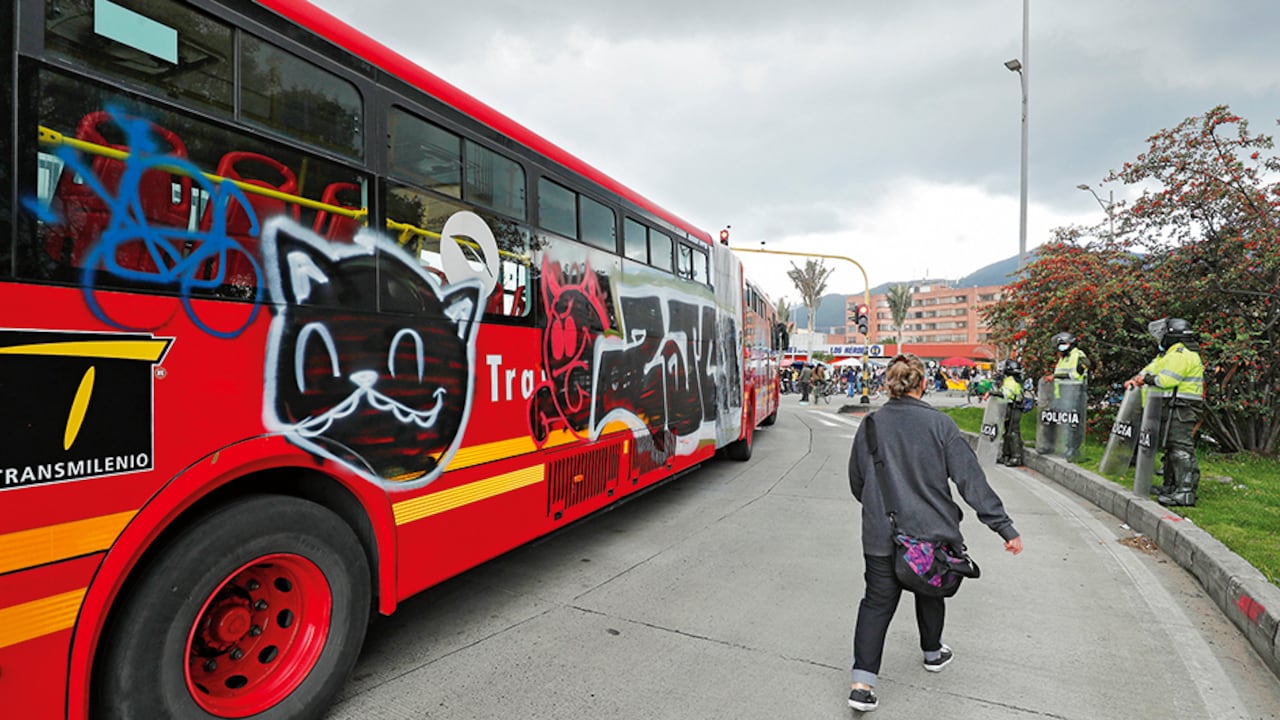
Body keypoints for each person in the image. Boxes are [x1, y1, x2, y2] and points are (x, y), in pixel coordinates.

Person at [846, 353, 1023, 712]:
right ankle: (932, 652)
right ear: (924, 384)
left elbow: (857, 480)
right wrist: (1004, 527)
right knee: (929, 588)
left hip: (880, 533)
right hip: (930, 532)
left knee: (876, 602)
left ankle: (862, 686)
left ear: (888, 384)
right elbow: (970, 480)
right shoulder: (940, 425)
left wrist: (881, 508)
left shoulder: (871, 425)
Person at [1123, 318, 1205, 506]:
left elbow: (1165, 380)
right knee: (1170, 448)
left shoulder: (1181, 354)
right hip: (1172, 406)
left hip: (1182, 407)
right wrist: (1137, 378)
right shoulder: (1168, 355)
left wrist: (1146, 380)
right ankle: (1170, 486)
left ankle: (1185, 492)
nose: (1160, 338)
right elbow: (1149, 370)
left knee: (1180, 448)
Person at [992, 359, 1025, 466]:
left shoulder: (1010, 381)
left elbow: (1005, 394)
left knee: (1013, 432)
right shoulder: (1015, 380)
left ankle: (1016, 457)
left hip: (1013, 408)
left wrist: (993, 393)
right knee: (1008, 432)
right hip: (1010, 407)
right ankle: (1006, 455)